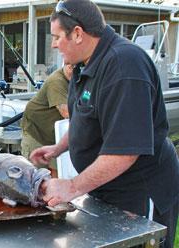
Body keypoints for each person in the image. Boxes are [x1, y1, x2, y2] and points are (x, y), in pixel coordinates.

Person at [30, 1, 179, 247]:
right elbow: (83, 116)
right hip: (106, 188)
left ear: (78, 33)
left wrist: (71, 187)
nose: (54, 44)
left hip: (139, 191)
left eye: (57, 37)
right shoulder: (85, 64)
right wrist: (58, 148)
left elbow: (125, 152)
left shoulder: (124, 66)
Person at [21, 64, 73, 177]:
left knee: (58, 173)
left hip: (56, 137)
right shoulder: (56, 81)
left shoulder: (80, 80)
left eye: (77, 67)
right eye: (70, 66)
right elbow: (66, 113)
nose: (73, 70)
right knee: (34, 177)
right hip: (36, 132)